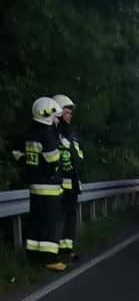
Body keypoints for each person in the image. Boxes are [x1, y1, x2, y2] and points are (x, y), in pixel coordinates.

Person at [20, 97, 65, 271]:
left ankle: (33, 257)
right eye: (55, 116)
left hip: (34, 187)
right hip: (49, 189)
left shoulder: (30, 134)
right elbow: (54, 161)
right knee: (50, 224)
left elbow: (18, 155)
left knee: (36, 223)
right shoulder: (47, 135)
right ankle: (50, 259)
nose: (57, 120)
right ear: (46, 115)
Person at [53, 94, 83, 262]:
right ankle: (55, 251)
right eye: (67, 111)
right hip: (58, 184)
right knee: (57, 217)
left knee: (71, 217)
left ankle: (67, 249)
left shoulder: (71, 133)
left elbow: (78, 156)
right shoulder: (53, 132)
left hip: (72, 182)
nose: (70, 114)